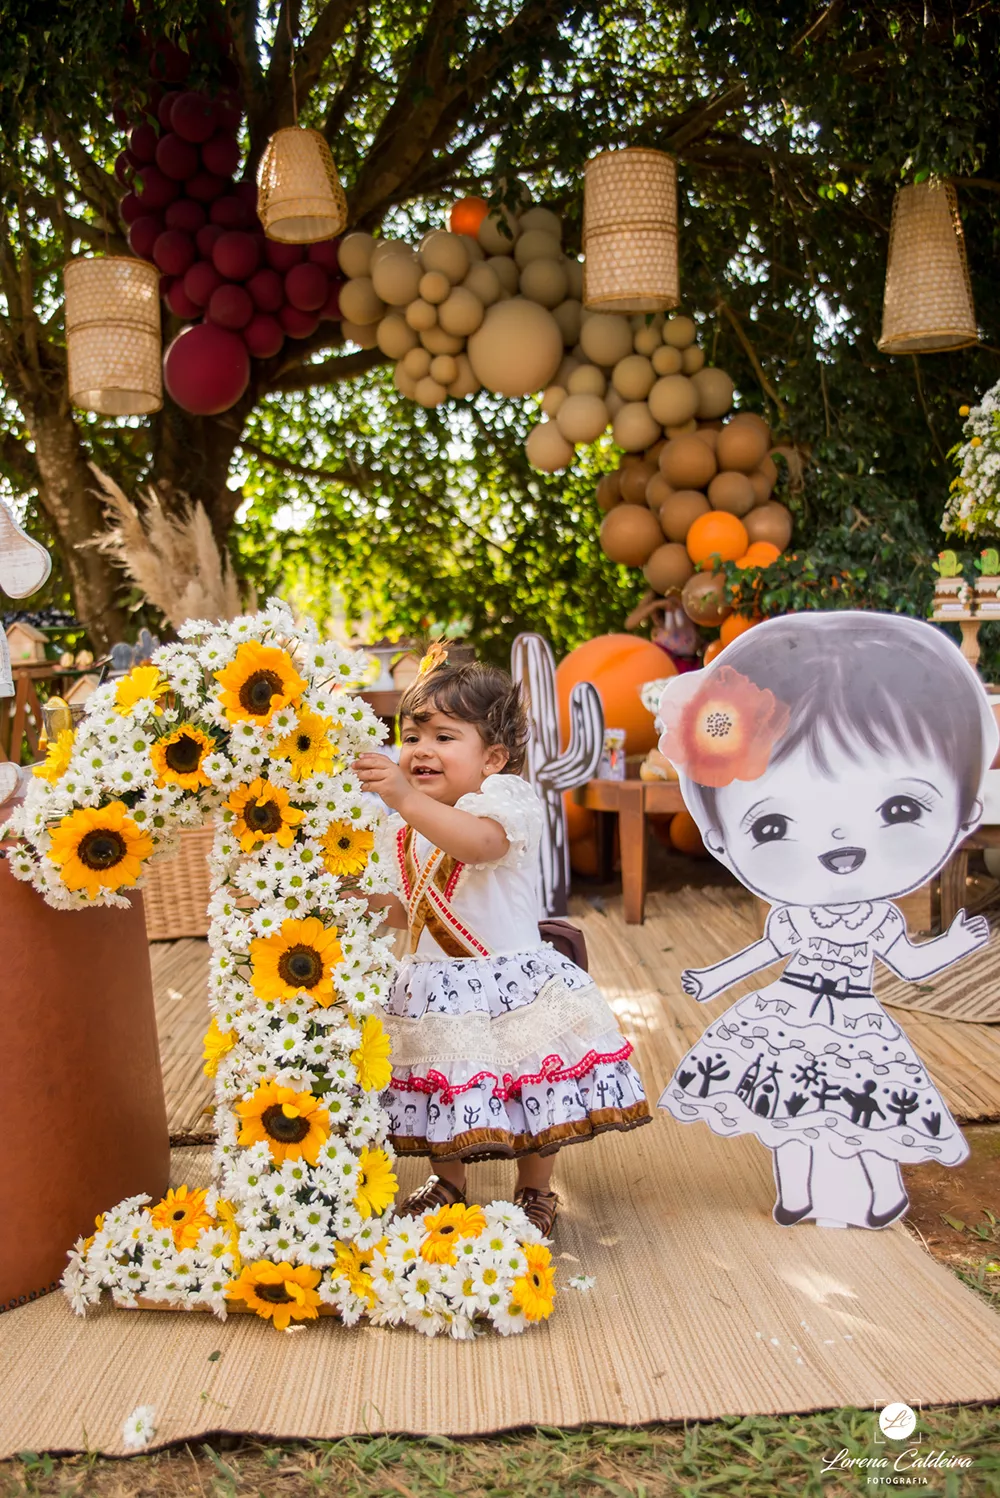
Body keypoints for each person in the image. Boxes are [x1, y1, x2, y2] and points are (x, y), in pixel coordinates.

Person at [655, 611, 997, 1230]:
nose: (840, 841)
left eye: (898, 808)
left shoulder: (876, 918)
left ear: (966, 811)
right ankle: (796, 1195)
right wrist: (712, 977)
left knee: (863, 1111)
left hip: (858, 1019)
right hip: (789, 1013)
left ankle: (883, 1193)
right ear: (721, 840)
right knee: (790, 1110)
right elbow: (764, 953)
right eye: (772, 825)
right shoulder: (796, 916)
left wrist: (955, 943)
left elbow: (912, 965)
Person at [353, 655, 650, 1235]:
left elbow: (480, 846)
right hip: (434, 984)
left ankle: (535, 1188)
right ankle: (448, 1181)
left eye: (444, 737)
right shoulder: (403, 828)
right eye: (411, 737)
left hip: (509, 984)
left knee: (531, 1079)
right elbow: (406, 906)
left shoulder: (504, 802)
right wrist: (336, 898)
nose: (421, 750)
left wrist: (406, 800)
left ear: (492, 758)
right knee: (441, 1080)